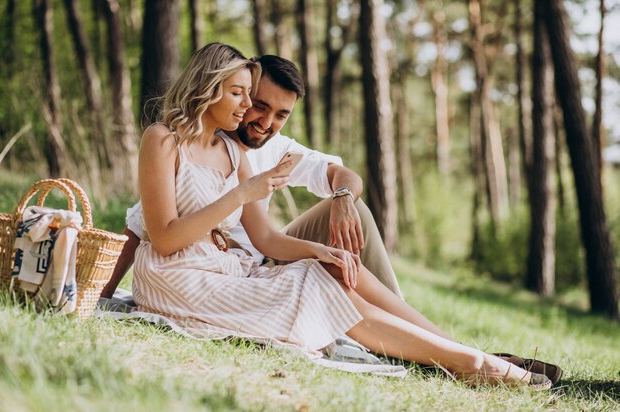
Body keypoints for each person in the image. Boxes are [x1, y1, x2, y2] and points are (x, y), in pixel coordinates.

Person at [131, 42, 552, 389]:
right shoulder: (163, 140)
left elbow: (266, 238)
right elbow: (161, 236)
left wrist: (323, 250)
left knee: (327, 271)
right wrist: (245, 191)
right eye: (242, 95)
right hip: (180, 273)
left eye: (259, 102)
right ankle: (474, 364)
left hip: (231, 267)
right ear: (210, 88)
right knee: (317, 288)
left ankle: (464, 356)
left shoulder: (234, 151)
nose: (251, 112)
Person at [101, 54, 402, 300]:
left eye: (281, 115)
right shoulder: (193, 146)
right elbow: (143, 225)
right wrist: (101, 295)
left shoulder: (281, 148)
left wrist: (343, 196)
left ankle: (412, 327)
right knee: (334, 282)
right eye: (259, 106)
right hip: (225, 270)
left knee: (354, 210)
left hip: (268, 255)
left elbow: (341, 175)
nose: (266, 123)